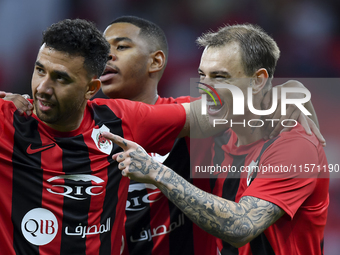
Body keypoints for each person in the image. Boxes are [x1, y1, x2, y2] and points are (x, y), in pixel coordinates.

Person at [104, 23, 329, 255]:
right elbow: (146, 113)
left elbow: (241, 227)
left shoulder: (295, 146)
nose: (205, 88)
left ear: (258, 80)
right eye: (202, 75)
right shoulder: (215, 132)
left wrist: (157, 173)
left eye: (220, 77)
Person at [0, 18, 189, 255]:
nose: (42, 88)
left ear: (91, 88)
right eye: (40, 70)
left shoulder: (120, 120)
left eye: (60, 78)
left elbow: (220, 112)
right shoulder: (7, 120)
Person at [98, 16, 217, 255]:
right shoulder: (83, 126)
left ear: (156, 61)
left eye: (121, 47)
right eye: (101, 50)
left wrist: (284, 103)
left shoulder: (196, 121)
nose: (107, 56)